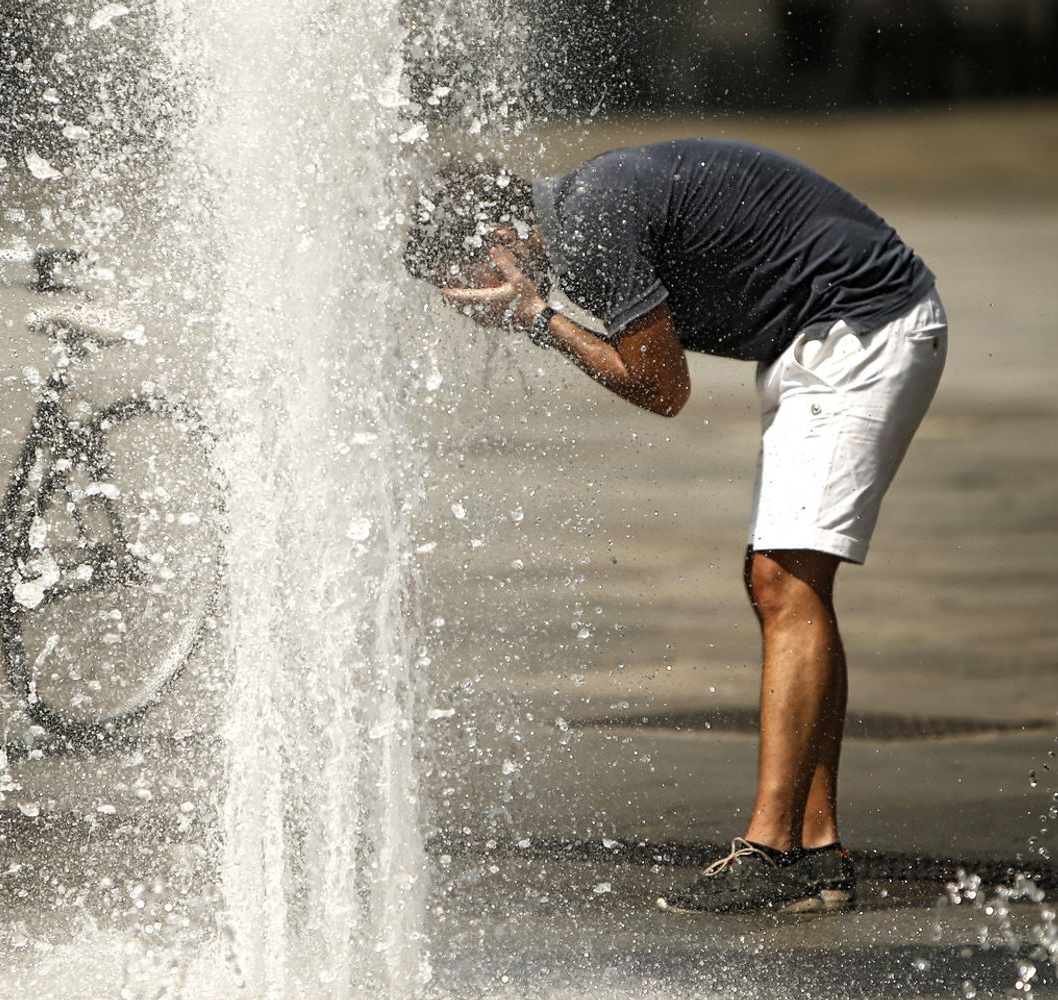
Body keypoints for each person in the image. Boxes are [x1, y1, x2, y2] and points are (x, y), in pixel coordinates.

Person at [405, 139, 946, 914]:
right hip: (827, 334)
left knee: (784, 585)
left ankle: (772, 853)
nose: (470, 303)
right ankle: (815, 851)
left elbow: (663, 388)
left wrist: (534, 317)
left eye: (466, 280)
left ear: (499, 240)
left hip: (864, 324)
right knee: (784, 585)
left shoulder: (592, 223)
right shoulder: (586, 209)